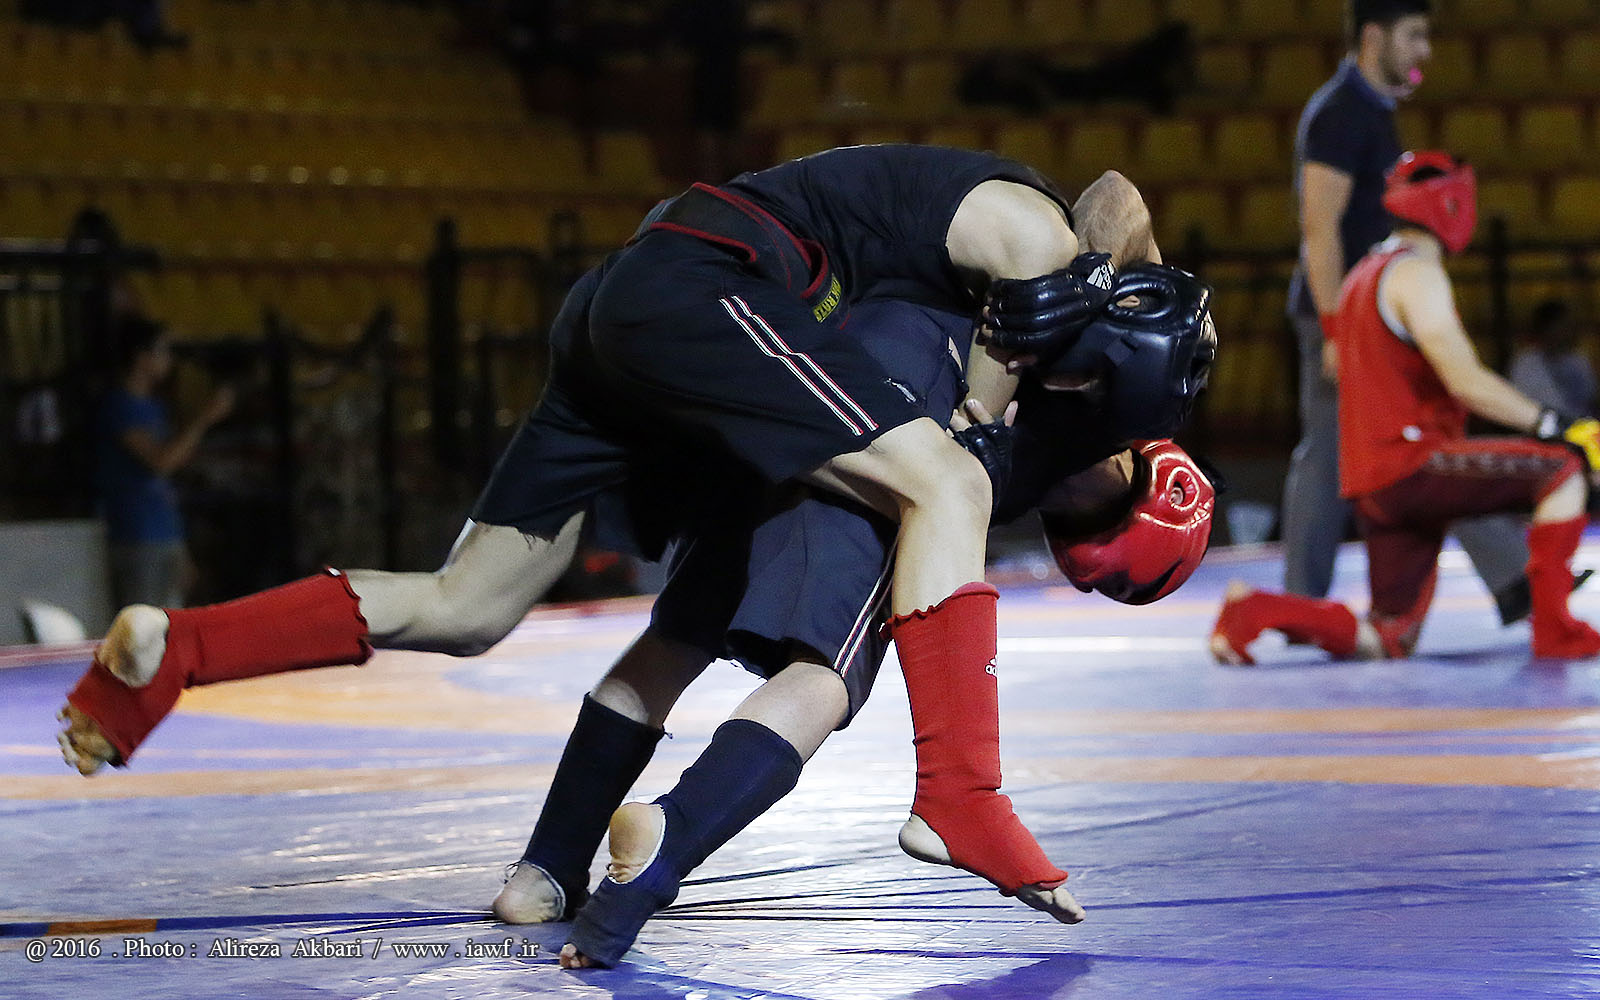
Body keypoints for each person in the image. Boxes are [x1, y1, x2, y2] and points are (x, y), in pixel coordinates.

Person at [59, 146, 1199, 930]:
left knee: (467, 605)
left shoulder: (1033, 305)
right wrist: (1061, 332)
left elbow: (1070, 287)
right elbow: (1110, 203)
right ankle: (961, 792)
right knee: (942, 485)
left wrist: (1034, 368)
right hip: (714, 283)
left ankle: (177, 651)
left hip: (632, 312)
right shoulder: (1036, 235)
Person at [487, 285, 1214, 967]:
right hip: (889, 408)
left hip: (782, 365)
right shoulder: (1084, 430)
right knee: (828, 669)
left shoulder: (1092, 398)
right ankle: (669, 840)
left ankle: (546, 866)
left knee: (681, 635)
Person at [1212, 152, 1600, 667]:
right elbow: (1465, 380)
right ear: (1453, 205)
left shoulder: (1362, 274)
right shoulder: (1416, 274)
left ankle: (1252, 610)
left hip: (1371, 481)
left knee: (1387, 636)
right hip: (1414, 465)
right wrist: (1555, 424)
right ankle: (1556, 631)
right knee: (1564, 470)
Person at [1280, 0, 1545, 624]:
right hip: (1347, 317)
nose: (1426, 51)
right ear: (1375, 36)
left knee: (1426, 443)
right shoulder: (1341, 112)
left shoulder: (1370, 109)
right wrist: (1335, 328)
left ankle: (1514, 578)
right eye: (1415, 35)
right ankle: (1299, 601)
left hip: (1373, 312)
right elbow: (1319, 227)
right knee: (1332, 457)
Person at [97, 315, 235, 610]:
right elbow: (161, 462)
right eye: (163, 351)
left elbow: (170, 472)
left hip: (164, 532)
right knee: (143, 624)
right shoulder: (119, 406)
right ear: (141, 356)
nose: (169, 360)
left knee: (171, 623)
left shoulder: (155, 407)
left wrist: (181, 546)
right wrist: (205, 417)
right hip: (136, 535)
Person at [1510, 299, 1597, 418]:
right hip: (1542, 426)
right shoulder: (1526, 363)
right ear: (1547, 328)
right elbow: (1521, 406)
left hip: (1583, 425)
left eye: (1571, 326)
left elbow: (1591, 398)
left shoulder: (1578, 359)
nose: (1570, 331)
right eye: (1563, 326)